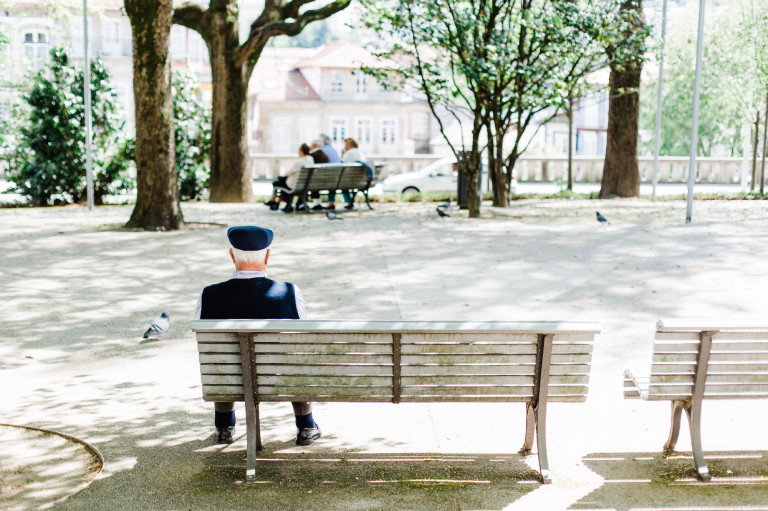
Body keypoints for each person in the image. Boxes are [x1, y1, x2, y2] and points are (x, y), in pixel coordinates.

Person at [194, 226, 321, 446]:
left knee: (222, 360)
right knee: (296, 357)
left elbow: (206, 342)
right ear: (268, 256)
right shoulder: (289, 292)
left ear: (232, 256)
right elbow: (302, 336)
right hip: (279, 378)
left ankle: (224, 427)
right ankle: (306, 425)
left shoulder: (209, 294)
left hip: (230, 379)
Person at [264, 143, 313, 213]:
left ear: (301, 152)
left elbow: (287, 173)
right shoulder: (310, 159)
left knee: (277, 182)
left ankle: (273, 201)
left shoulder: (298, 162)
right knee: (280, 182)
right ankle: (276, 202)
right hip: (305, 185)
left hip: (294, 185)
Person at [338, 138, 363, 210]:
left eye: (345, 144)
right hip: (359, 179)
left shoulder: (349, 153)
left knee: (342, 183)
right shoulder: (359, 152)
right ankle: (350, 202)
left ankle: (349, 201)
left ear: (349, 145)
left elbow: (342, 164)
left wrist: (342, 155)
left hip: (349, 180)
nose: (344, 146)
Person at [307, 139, 330, 211]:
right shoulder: (325, 155)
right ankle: (317, 203)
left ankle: (302, 203)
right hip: (325, 181)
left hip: (315, 181)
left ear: (314, 145)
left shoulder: (312, 156)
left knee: (307, 180)